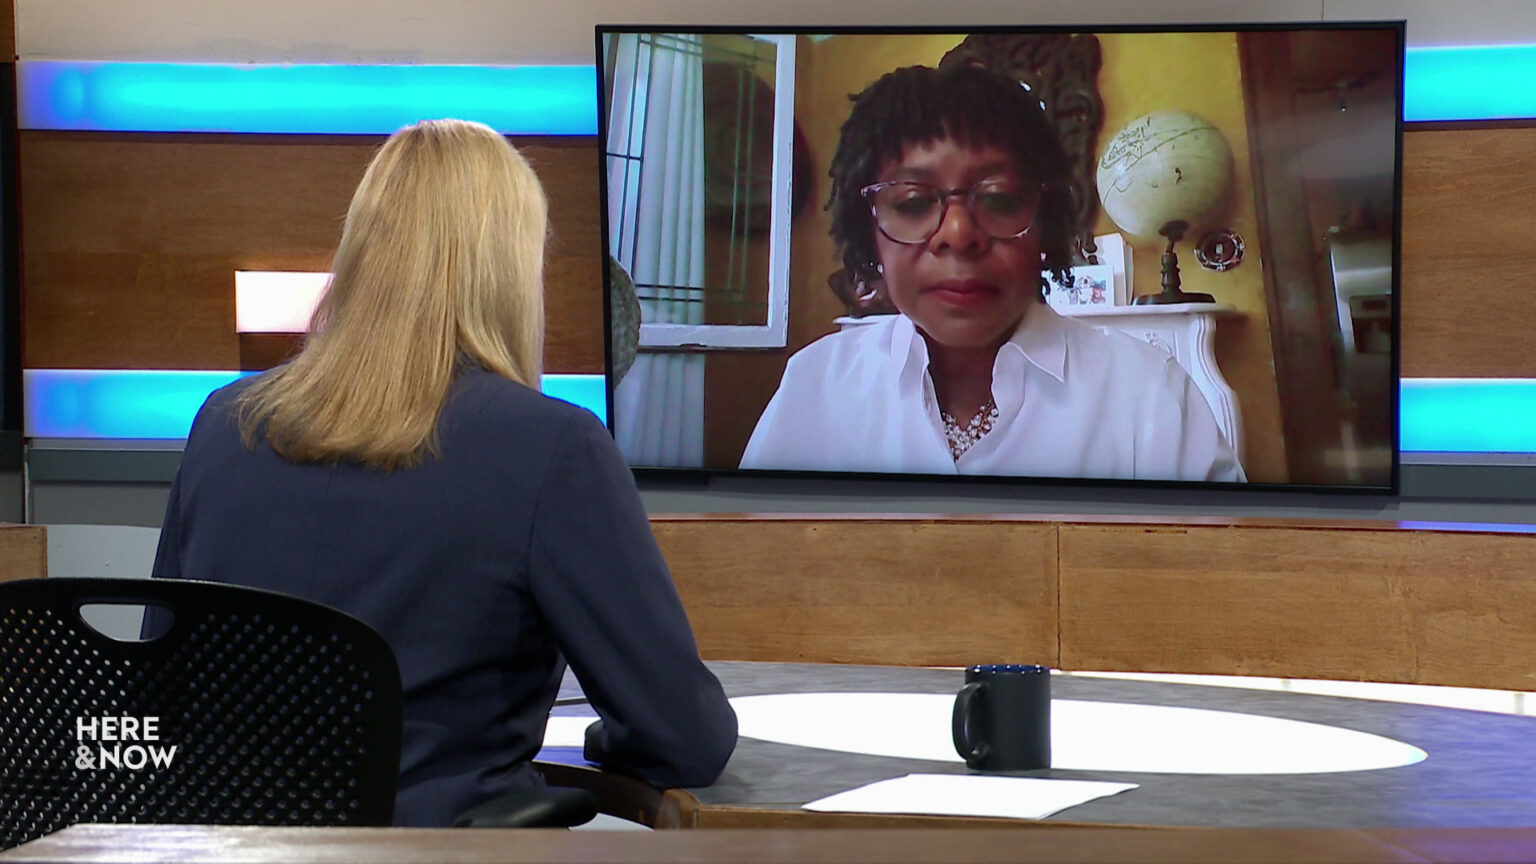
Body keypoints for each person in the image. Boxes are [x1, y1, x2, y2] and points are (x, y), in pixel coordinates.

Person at [151, 119, 737, 826]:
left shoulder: (221, 424)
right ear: (510, 272)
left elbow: (159, 697)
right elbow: (684, 738)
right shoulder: (553, 447)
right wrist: (603, 738)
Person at [740, 65, 1244, 482]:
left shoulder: (1149, 394)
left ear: (1045, 220)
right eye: (914, 202)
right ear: (867, 230)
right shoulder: (817, 385)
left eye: (1000, 198)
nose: (958, 233)